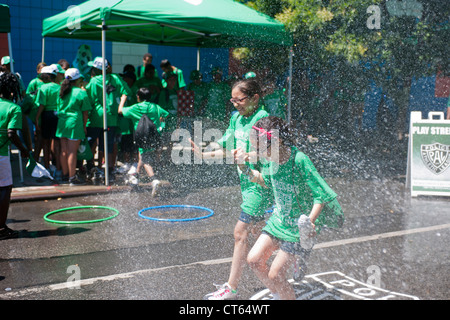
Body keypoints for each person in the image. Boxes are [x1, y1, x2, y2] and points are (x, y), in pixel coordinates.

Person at [235, 116, 343, 300]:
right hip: (279, 221)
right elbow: (265, 181)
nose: (258, 153)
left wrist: (309, 223)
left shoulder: (299, 160)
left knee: (275, 274)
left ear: (276, 141)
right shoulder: (271, 160)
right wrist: (244, 167)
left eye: (261, 148)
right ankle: (280, 294)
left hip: (298, 227)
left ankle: (289, 283)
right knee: (253, 260)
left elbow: (321, 195)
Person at [190, 78, 272, 300]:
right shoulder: (236, 119)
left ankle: (231, 289)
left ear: (255, 98)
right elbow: (228, 149)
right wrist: (203, 154)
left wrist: (249, 156)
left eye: (240, 100)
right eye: (232, 100)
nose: (235, 104)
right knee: (260, 231)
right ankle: (294, 251)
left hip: (261, 184)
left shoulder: (262, 118)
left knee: (240, 233)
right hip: (247, 183)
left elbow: (269, 153)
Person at [84, 57, 129, 182]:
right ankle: (109, 170)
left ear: (95, 69)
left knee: (92, 143)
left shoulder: (93, 82)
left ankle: (91, 168)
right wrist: (120, 106)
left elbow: (89, 101)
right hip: (111, 118)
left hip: (96, 118)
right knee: (108, 145)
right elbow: (126, 91)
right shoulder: (115, 78)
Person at [118, 87, 169, 195]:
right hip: (155, 137)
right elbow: (166, 114)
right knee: (142, 155)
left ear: (138, 97)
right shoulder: (155, 107)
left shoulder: (135, 107)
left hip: (142, 137)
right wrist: (161, 121)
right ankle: (135, 177)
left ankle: (154, 180)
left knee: (146, 159)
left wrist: (123, 99)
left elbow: (120, 111)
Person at [0, 72, 30, 240]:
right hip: (1, 156)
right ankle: (1, 229)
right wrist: (24, 149)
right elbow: (11, 133)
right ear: (13, 91)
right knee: (4, 189)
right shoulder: (13, 108)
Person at [56, 68, 92, 185]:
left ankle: (65, 175)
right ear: (77, 79)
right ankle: (72, 178)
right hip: (74, 124)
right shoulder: (80, 92)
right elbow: (85, 113)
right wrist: (84, 126)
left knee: (64, 151)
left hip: (62, 122)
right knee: (72, 152)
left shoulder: (61, 90)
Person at [35, 65, 62, 174]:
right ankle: (59, 168)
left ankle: (46, 166)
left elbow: (41, 105)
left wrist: (37, 118)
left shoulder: (43, 88)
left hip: (46, 115)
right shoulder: (59, 87)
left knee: (46, 142)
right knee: (57, 144)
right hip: (58, 116)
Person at [204, 66, 230, 131]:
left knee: (219, 129)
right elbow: (205, 98)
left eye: (216, 74)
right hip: (209, 111)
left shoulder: (224, 86)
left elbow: (227, 101)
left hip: (220, 111)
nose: (215, 76)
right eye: (214, 74)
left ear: (220, 75)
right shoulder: (209, 85)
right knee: (208, 129)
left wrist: (227, 113)